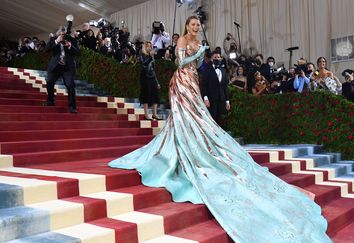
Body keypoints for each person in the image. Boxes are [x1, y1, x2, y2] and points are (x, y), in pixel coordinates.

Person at [108, 15, 330, 243]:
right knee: (185, 119)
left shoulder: (196, 42)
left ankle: (197, 144)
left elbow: (198, 67)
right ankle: (184, 147)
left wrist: (200, 59)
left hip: (193, 81)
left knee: (197, 120)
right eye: (192, 24)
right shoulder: (183, 42)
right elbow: (182, 63)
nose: (195, 27)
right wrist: (197, 54)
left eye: (197, 25)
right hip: (182, 81)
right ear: (187, 26)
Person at [45, 26, 80, 113]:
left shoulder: (71, 40)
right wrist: (57, 41)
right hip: (55, 67)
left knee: (70, 85)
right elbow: (46, 49)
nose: (63, 35)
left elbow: (78, 52)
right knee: (49, 81)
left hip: (67, 67)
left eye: (64, 34)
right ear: (58, 33)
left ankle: (72, 107)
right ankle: (50, 101)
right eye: (61, 33)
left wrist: (69, 46)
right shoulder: (53, 39)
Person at [201, 51, 230, 125]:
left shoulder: (223, 70)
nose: (217, 58)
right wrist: (206, 99)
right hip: (211, 99)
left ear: (221, 58)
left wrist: (227, 101)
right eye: (215, 57)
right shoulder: (207, 70)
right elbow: (204, 85)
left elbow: (225, 86)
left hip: (221, 99)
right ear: (211, 59)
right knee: (212, 119)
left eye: (218, 57)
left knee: (219, 119)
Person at [138, 41, 162, 120]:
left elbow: (153, 70)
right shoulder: (142, 55)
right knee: (146, 95)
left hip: (152, 77)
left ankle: (154, 114)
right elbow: (144, 65)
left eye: (150, 46)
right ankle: (146, 114)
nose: (149, 47)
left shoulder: (152, 57)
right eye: (147, 46)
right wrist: (150, 56)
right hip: (145, 77)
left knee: (155, 95)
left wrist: (157, 82)